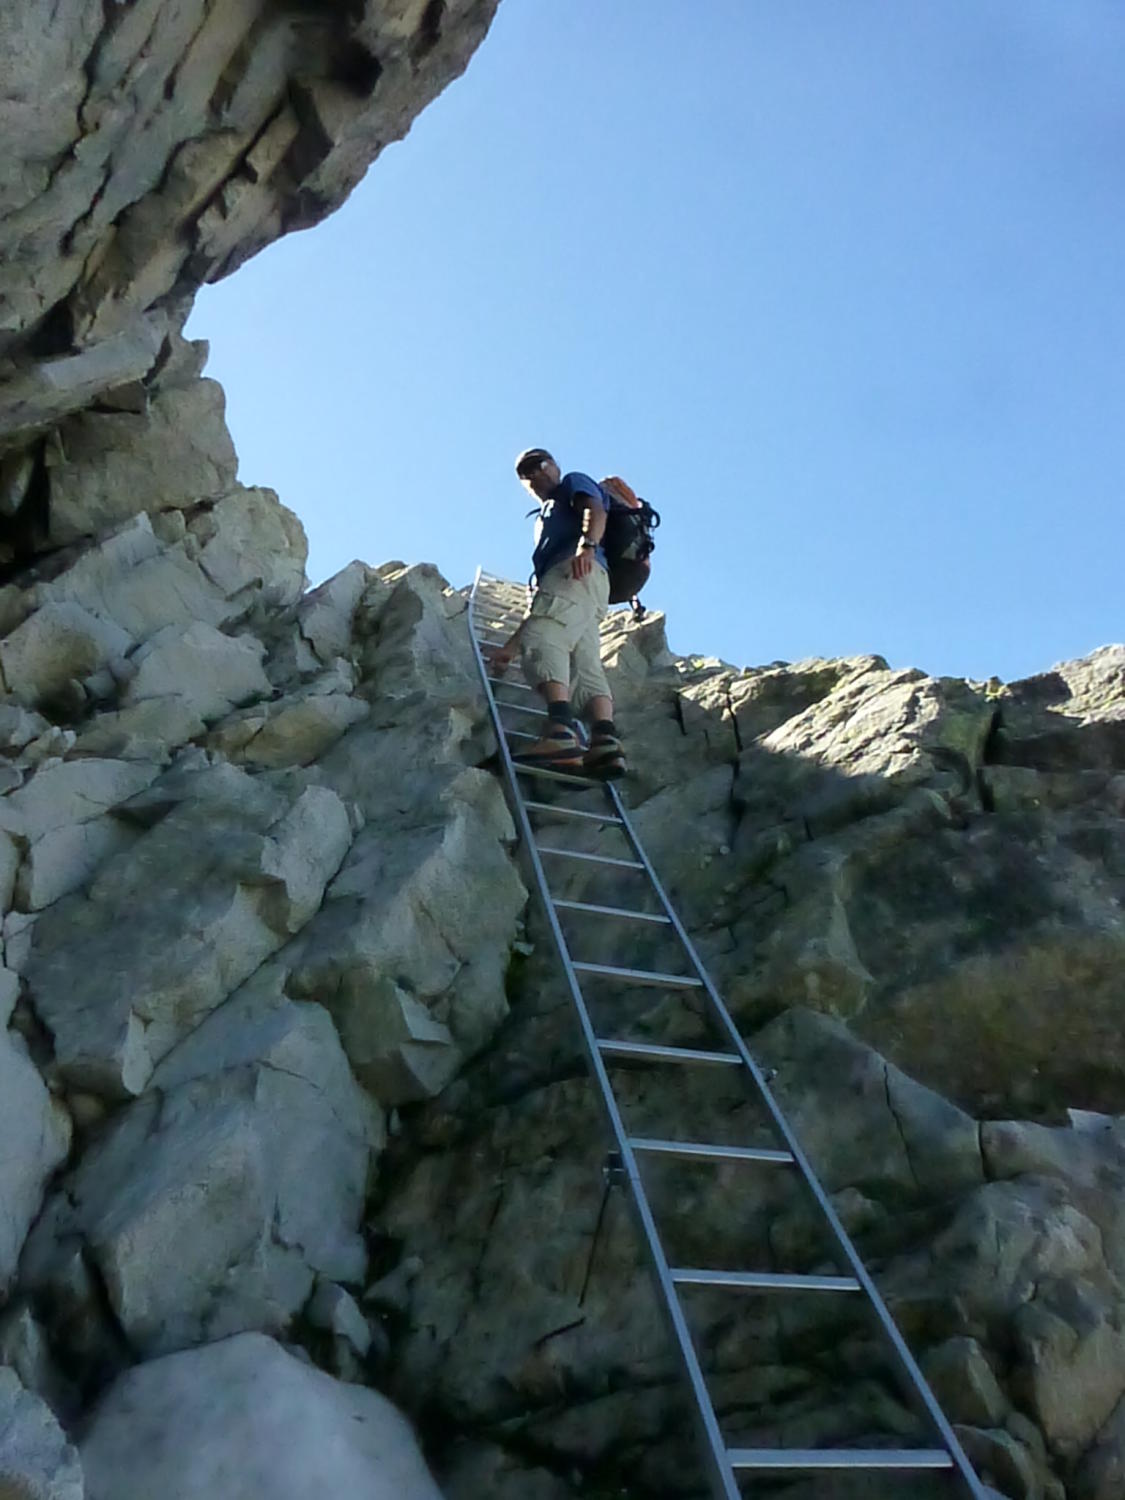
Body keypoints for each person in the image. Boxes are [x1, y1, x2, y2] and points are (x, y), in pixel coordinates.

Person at [484, 448, 626, 778]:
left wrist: (586, 547)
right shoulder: (545, 513)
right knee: (585, 662)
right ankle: (605, 743)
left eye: (540, 464)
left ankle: (560, 734)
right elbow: (545, 608)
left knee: (545, 637)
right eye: (525, 473)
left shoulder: (573, 483)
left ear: (555, 466)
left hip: (574, 569)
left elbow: (594, 508)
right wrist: (511, 646)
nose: (534, 474)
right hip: (588, 585)